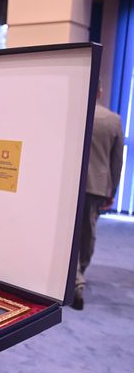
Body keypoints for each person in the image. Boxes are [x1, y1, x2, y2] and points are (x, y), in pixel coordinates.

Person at [73, 84, 124, 310]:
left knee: (67, 234)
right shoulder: (113, 120)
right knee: (87, 231)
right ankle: (79, 277)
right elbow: (117, 160)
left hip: (70, 184)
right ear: (101, 92)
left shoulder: (73, 115)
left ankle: (74, 278)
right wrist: (112, 190)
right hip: (97, 186)